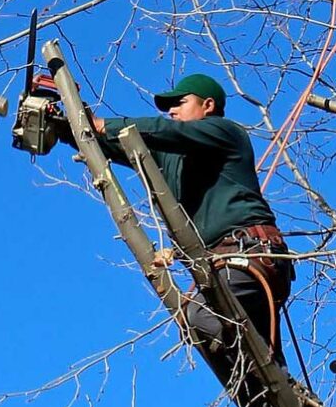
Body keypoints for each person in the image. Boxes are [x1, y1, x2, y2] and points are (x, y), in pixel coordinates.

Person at [61, 73, 294, 354]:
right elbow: (117, 144)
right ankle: (277, 393)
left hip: (249, 254)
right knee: (253, 374)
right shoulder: (170, 156)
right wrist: (66, 126)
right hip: (221, 267)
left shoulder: (224, 132)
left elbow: (165, 132)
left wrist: (103, 125)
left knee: (198, 318)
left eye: (179, 103)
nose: (171, 111)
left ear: (207, 105)